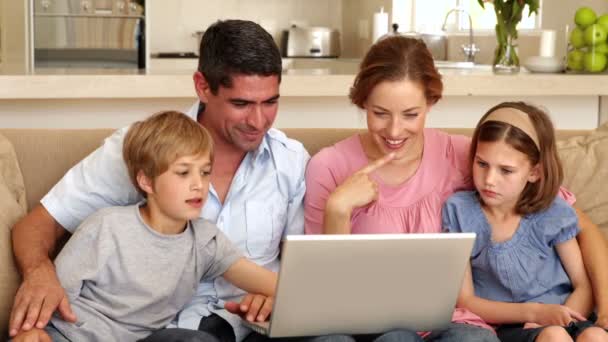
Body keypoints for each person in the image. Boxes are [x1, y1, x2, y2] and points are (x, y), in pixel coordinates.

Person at [9, 20, 309, 342]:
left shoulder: (289, 162)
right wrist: (38, 273)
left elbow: (300, 272)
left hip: (250, 326)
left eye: (271, 102)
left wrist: (283, 297)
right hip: (164, 332)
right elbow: (37, 226)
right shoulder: (142, 151)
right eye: (241, 104)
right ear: (203, 86)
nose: (258, 121)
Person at [303, 35, 608, 341]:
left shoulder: (468, 159)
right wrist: (338, 208)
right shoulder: (328, 166)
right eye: (379, 113)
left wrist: (605, 304)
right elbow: (319, 290)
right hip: (358, 322)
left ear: (432, 103)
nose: (394, 131)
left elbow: (577, 224)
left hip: (450, 323)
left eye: (410, 114)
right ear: (363, 102)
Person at [12, 111, 278, 342]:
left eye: (205, 172)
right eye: (183, 173)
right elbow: (46, 298)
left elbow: (275, 285)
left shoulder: (206, 242)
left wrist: (282, 300)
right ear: (147, 182)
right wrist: (28, 333)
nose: (199, 184)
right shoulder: (106, 226)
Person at [442, 102, 608, 342]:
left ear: (534, 172)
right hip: (511, 326)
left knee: (594, 336)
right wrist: (535, 313)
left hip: (567, 315)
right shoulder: (460, 211)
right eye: (482, 164)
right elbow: (466, 301)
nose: (489, 180)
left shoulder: (554, 212)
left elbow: (583, 285)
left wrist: (565, 317)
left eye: (506, 170)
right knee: (554, 336)